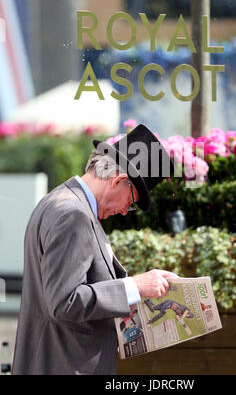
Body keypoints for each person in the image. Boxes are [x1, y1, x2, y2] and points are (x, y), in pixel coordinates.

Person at [12, 124, 176, 375]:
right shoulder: (73, 214)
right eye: (130, 202)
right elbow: (64, 302)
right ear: (119, 181)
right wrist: (134, 286)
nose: (124, 211)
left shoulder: (61, 199)